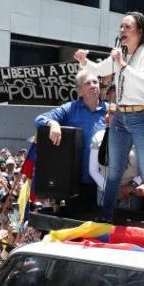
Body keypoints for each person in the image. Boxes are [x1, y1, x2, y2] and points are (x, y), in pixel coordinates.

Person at [72, 12, 144, 225]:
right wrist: (83, 61)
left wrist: (122, 64)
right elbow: (98, 70)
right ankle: (106, 217)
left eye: (127, 27)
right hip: (121, 116)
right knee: (114, 171)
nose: (122, 31)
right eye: (121, 27)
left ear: (140, 31)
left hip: (143, 116)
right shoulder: (122, 52)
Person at [33, 69, 108, 206]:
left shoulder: (110, 111)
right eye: (87, 83)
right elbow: (40, 118)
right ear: (79, 91)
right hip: (74, 182)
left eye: (95, 82)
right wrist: (53, 123)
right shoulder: (70, 109)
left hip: (102, 182)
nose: (93, 85)